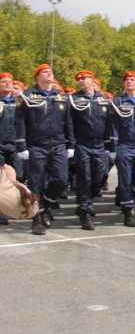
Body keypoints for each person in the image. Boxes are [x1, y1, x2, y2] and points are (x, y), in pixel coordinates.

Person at [15, 64, 74, 235]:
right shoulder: (26, 96)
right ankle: (36, 219)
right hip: (36, 146)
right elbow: (20, 122)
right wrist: (21, 146)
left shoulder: (61, 97)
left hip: (57, 146)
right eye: (45, 72)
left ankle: (45, 206)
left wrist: (71, 145)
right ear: (37, 77)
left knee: (61, 180)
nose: (49, 73)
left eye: (51, 71)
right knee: (36, 184)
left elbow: (68, 123)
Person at [107, 71, 135, 227]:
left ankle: (125, 195)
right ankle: (128, 212)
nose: (129, 82)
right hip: (124, 145)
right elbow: (113, 126)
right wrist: (113, 148)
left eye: (133, 80)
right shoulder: (118, 101)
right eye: (127, 80)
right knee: (125, 179)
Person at [69, 70, 112, 230]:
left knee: (100, 176)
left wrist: (109, 144)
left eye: (84, 78)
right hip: (82, 143)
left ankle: (86, 202)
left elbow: (109, 122)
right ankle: (85, 211)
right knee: (84, 177)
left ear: (92, 80)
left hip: (99, 144)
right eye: (78, 79)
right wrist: (71, 144)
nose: (80, 81)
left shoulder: (104, 99)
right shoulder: (73, 99)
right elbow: (69, 122)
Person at [0, 72, 20, 225]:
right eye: (4, 81)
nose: (7, 84)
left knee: (16, 176)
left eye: (9, 81)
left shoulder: (19, 101)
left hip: (14, 145)